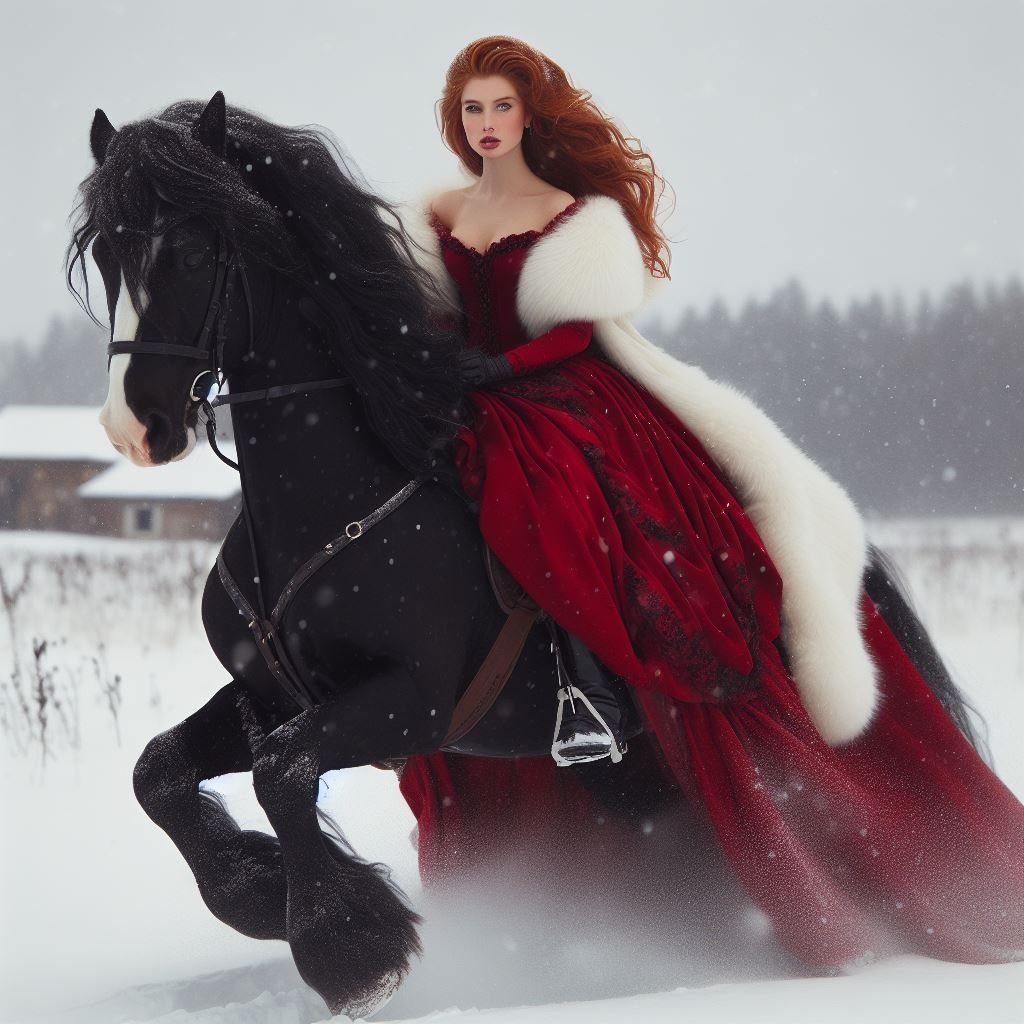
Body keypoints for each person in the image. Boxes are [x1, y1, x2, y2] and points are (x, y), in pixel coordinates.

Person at [397, 36, 1024, 967]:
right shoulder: (433, 212)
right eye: (474, 110)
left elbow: (573, 335)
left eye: (503, 109)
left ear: (531, 116)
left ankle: (600, 688)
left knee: (592, 535)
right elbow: (421, 311)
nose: (487, 126)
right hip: (461, 403)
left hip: (568, 400)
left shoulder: (573, 213)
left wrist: (498, 368)